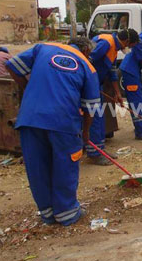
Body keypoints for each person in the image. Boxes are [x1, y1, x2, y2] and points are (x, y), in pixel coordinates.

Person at [6, 37, 100, 226]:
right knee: (65, 164)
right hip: (63, 121)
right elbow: (91, 108)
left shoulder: (43, 48)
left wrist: (28, 88)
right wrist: (86, 132)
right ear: (87, 51)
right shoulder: (87, 66)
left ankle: (47, 213)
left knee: (38, 166)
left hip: (30, 118)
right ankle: (67, 213)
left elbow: (12, 65)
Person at [86, 28, 139, 164]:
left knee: (99, 115)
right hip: (90, 83)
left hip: (96, 83)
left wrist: (117, 93)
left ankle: (99, 149)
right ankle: (95, 154)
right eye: (130, 45)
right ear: (126, 41)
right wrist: (90, 84)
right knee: (95, 116)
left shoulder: (113, 48)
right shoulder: (106, 43)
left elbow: (112, 72)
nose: (128, 48)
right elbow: (86, 61)